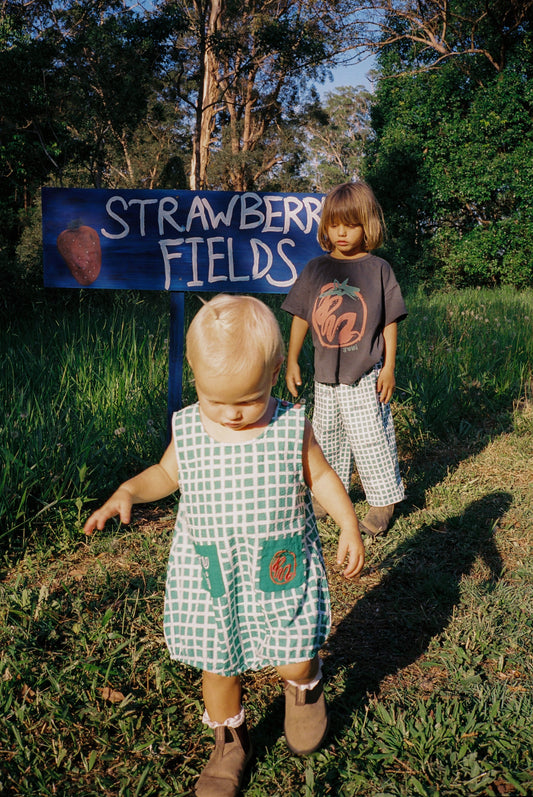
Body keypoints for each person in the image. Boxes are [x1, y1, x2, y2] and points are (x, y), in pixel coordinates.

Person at [83, 294, 365, 797]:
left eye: (247, 400)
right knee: (219, 667)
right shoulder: (190, 427)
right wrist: (128, 490)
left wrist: (347, 521)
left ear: (276, 372)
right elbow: (165, 474)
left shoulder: (288, 426)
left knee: (294, 653)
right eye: (217, 401)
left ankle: (304, 687)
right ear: (193, 374)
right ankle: (230, 741)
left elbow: (320, 476)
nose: (232, 415)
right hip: (213, 575)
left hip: (279, 566)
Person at [282, 181, 407, 537]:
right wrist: (293, 360)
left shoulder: (378, 269)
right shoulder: (316, 269)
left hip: (364, 374)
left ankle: (383, 500)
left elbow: (390, 321)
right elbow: (301, 316)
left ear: (366, 226)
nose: (341, 232)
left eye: (350, 225)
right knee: (325, 436)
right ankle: (326, 496)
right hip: (324, 375)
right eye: (334, 224)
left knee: (371, 437)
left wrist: (389, 368)